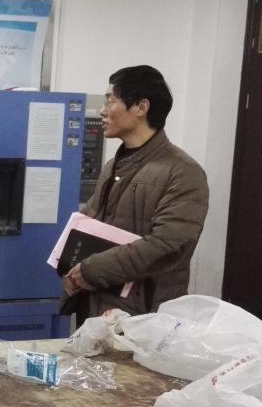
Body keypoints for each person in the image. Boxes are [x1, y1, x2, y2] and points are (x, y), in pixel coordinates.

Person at [62, 65, 208, 322]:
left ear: (141, 107)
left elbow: (167, 245)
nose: (103, 111)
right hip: (96, 306)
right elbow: (89, 224)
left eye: (110, 101)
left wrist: (91, 270)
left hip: (144, 318)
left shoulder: (184, 172)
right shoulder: (113, 166)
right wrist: (69, 267)